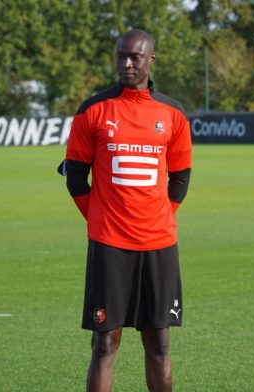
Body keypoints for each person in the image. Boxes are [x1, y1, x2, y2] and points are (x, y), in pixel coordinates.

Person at [57, 29, 192, 392]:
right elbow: (75, 178)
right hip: (109, 243)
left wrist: (157, 216)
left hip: (158, 243)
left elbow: (180, 179)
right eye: (121, 56)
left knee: (159, 342)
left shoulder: (173, 113)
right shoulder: (93, 109)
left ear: (151, 59)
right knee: (104, 342)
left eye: (134, 57)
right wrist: (102, 217)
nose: (126, 64)